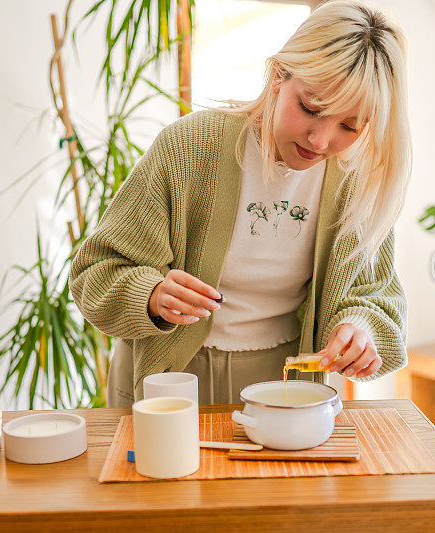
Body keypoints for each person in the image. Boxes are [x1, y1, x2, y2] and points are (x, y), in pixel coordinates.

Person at [69, 0, 412, 407]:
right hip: (169, 378)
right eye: (311, 108)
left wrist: (361, 328)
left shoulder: (358, 180)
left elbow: (379, 296)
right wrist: (151, 294)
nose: (320, 141)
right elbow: (96, 272)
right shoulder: (190, 148)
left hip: (286, 382)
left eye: (349, 126)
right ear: (278, 75)